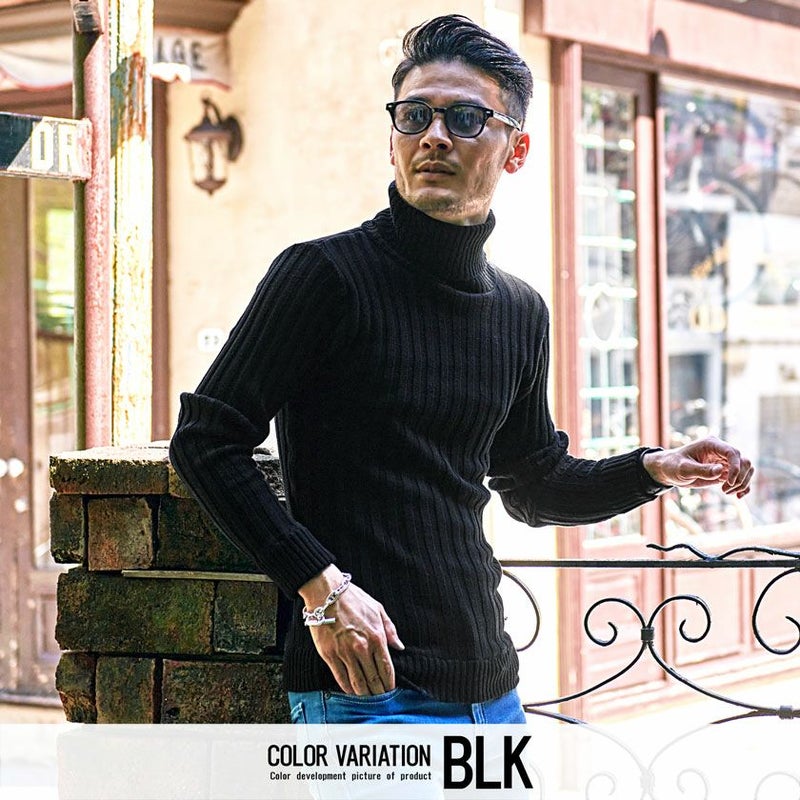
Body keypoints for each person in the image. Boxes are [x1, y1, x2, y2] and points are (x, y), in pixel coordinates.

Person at [169, 14, 754, 725]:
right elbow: (206, 441)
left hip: (492, 687)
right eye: (415, 115)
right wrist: (321, 588)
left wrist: (653, 469)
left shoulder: (518, 311)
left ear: (516, 149)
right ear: (393, 136)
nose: (434, 136)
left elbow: (533, 483)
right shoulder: (322, 276)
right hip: (365, 689)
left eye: (466, 118)